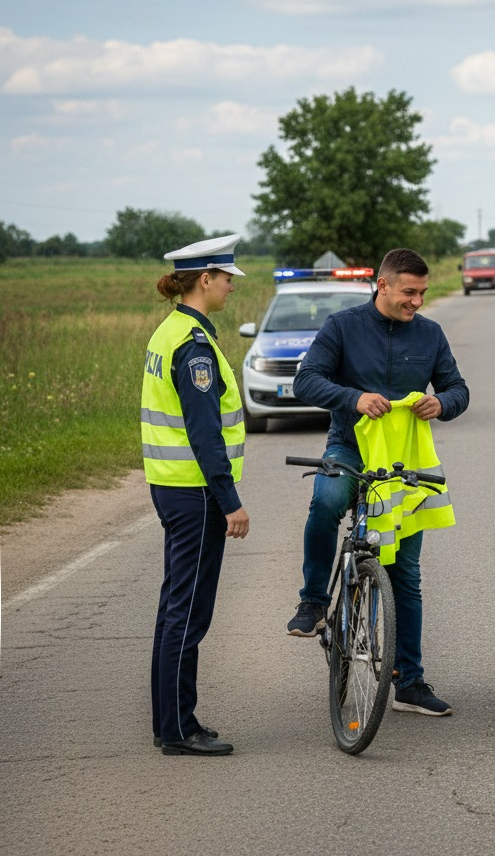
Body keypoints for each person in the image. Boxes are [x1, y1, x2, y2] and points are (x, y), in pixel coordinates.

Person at [288, 248, 469, 717]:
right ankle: (311, 603)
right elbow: (305, 381)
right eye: (410, 292)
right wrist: (354, 398)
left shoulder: (430, 334)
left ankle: (409, 682)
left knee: (405, 574)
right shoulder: (343, 326)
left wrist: (442, 404)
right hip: (350, 448)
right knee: (326, 500)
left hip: (404, 460)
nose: (418, 302)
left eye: (423, 293)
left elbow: (458, 389)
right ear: (382, 285)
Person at [142, 234, 250, 757]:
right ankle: (179, 730)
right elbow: (205, 433)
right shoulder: (192, 345)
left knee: (174, 608)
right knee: (187, 613)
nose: (231, 286)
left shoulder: (170, 332)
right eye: (227, 277)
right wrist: (230, 500)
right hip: (195, 493)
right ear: (204, 279)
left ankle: (169, 724)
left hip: (174, 487)